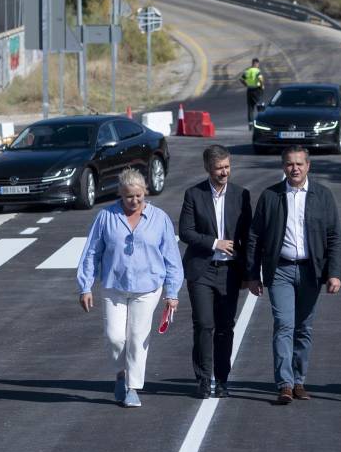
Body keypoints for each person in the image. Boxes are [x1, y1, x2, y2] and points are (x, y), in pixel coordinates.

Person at [77, 168, 183, 408]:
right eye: (128, 197)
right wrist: (85, 286)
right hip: (114, 286)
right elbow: (92, 252)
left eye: (139, 196)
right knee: (115, 337)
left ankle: (132, 387)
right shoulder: (106, 217)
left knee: (137, 337)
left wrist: (172, 292)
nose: (134, 201)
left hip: (148, 288)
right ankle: (120, 373)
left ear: (145, 192)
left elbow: (172, 258)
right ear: (120, 195)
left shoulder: (160, 218)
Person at [246, 146, 341, 405]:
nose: (295, 168)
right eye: (290, 164)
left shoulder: (322, 196)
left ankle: (299, 380)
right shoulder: (270, 196)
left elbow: (334, 236)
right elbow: (255, 236)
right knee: (284, 324)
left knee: (304, 328)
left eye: (299, 163)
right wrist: (252, 274)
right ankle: (285, 384)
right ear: (283, 167)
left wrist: (334, 273)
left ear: (308, 166)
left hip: (311, 271)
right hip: (280, 270)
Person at [179, 145, 252, 399]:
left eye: (227, 167)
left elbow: (247, 236)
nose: (224, 172)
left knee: (225, 328)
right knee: (203, 325)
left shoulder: (241, 195)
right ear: (208, 168)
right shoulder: (194, 194)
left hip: (230, 272)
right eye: (219, 168)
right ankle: (202, 378)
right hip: (201, 271)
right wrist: (215, 243)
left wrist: (249, 273)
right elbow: (186, 231)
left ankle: (221, 379)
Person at [240, 58, 265, 128]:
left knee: (250, 108)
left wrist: (246, 84)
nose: (258, 65)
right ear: (256, 63)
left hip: (249, 90)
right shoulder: (257, 71)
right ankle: (261, 122)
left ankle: (250, 124)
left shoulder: (248, 71)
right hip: (257, 90)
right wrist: (262, 86)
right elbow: (260, 79)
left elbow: (241, 79)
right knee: (260, 106)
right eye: (257, 64)